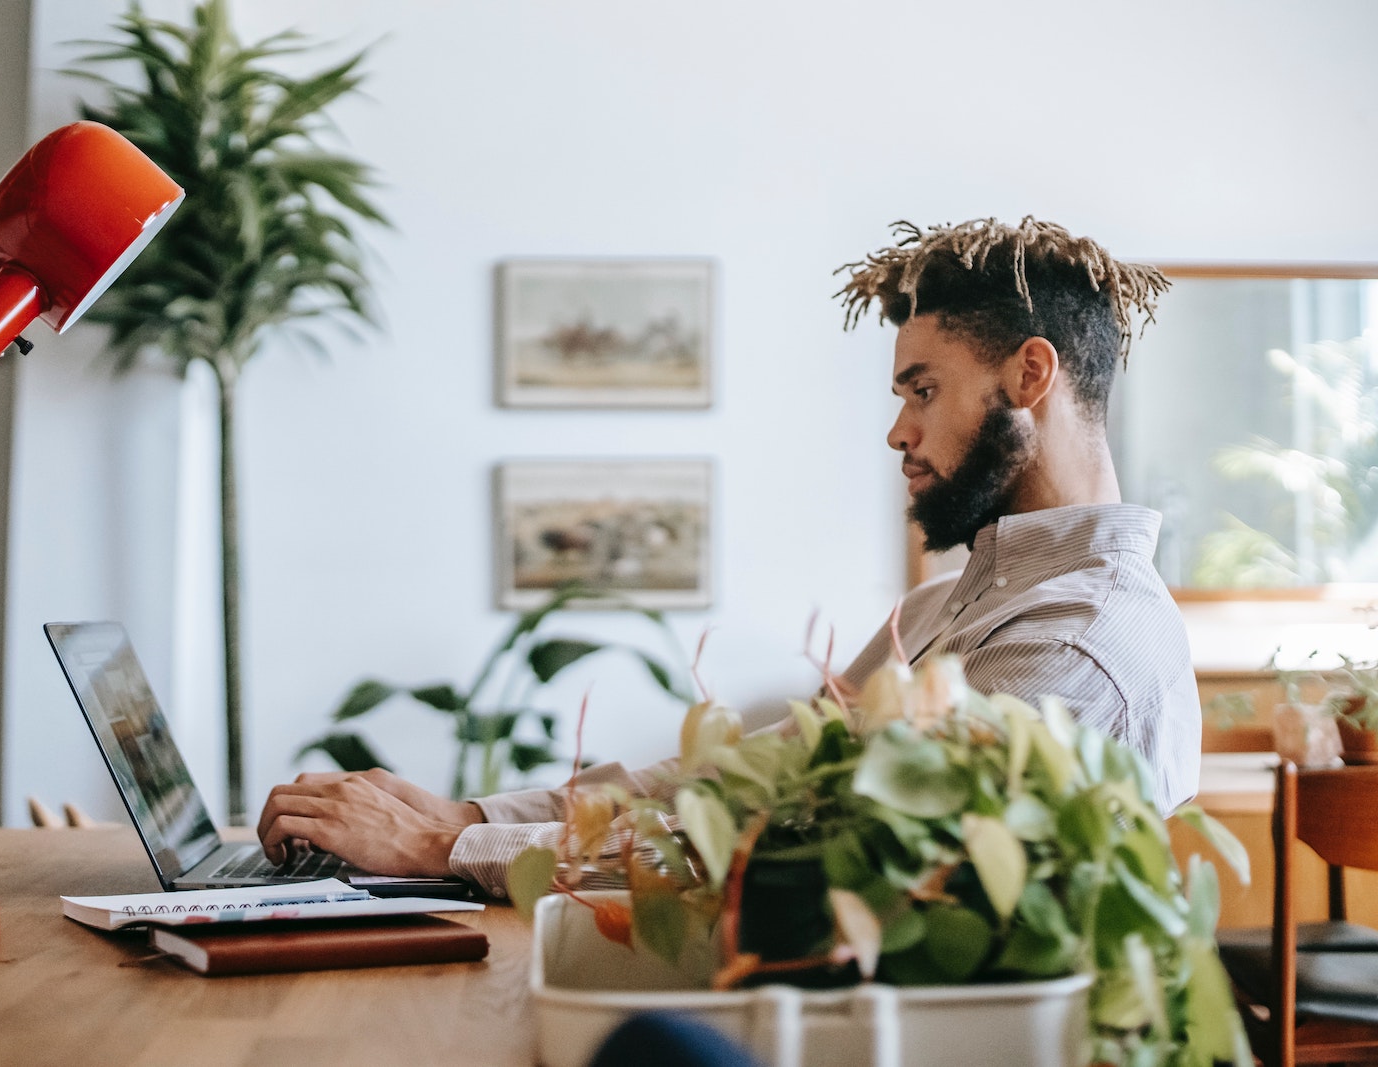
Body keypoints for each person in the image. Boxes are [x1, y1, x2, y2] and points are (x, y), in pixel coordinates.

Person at [256, 217, 1202, 897]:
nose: (896, 432)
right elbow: (741, 784)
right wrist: (467, 819)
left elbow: (803, 850)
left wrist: (439, 847)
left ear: (1028, 374)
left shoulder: (1075, 641)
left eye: (922, 389)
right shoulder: (950, 603)